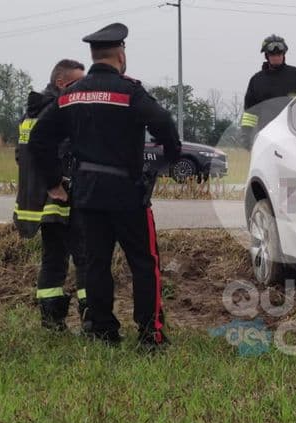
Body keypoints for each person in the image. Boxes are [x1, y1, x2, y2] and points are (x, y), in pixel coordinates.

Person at [28, 23, 181, 349]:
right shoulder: (131, 91)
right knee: (143, 263)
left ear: (94, 55)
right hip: (127, 194)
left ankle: (102, 331)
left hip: (86, 194)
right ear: (121, 54)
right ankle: (149, 336)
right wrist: (167, 161)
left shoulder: (71, 94)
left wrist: (54, 181)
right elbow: (165, 126)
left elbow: (39, 138)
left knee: (96, 263)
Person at [14, 59, 86, 331]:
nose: (82, 88)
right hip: (64, 200)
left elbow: (21, 156)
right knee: (85, 258)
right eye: (77, 82)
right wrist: (59, 183)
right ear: (61, 83)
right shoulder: (59, 112)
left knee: (53, 260)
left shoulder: (29, 113)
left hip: (40, 204)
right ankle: (92, 320)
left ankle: (51, 321)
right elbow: (66, 156)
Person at [239, 34, 296, 149]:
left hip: (295, 138)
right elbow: (250, 113)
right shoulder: (256, 81)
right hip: (266, 138)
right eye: (272, 54)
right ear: (267, 56)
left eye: (279, 53)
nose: (276, 56)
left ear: (284, 54)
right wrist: (246, 136)